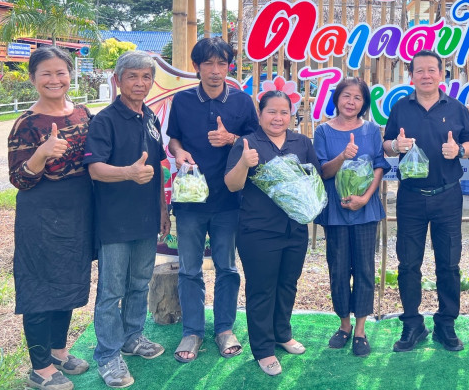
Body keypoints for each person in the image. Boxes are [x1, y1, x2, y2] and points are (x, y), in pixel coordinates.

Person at [166, 37, 258, 363]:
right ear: (197, 67)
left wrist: (231, 138)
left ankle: (224, 328)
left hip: (229, 200)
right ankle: (192, 331)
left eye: (222, 63)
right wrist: (179, 153)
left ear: (229, 66)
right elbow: (174, 139)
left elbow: (256, 141)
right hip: (190, 202)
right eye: (208, 63)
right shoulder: (183, 100)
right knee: (189, 270)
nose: (216, 70)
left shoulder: (242, 102)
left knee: (227, 268)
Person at [7, 47, 93, 390]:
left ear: (70, 75)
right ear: (33, 78)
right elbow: (19, 179)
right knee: (40, 287)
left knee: (68, 282)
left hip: (78, 212)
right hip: (41, 216)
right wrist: (41, 154)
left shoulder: (83, 113)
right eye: (46, 73)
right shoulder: (26, 124)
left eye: (61, 72)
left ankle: (58, 352)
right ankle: (39, 368)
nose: (54, 79)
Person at [84, 51, 170, 388]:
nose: (140, 83)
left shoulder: (150, 117)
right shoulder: (105, 120)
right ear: (118, 80)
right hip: (115, 220)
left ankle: (133, 337)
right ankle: (108, 355)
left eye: (146, 77)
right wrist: (127, 173)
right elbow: (95, 169)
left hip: (146, 218)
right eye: (132, 77)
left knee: (140, 283)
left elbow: (158, 168)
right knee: (111, 290)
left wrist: (163, 210)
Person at [383, 50, 469, 352]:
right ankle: (412, 324)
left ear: (441, 74)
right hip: (410, 197)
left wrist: (459, 150)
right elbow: (386, 144)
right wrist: (395, 145)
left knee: (449, 264)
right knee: (408, 263)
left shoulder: (457, 108)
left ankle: (446, 324)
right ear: (411, 75)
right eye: (419, 70)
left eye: (431, 70)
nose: (426, 75)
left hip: (447, 196)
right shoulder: (401, 107)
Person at [224, 90, 321, 377]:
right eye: (271, 112)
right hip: (258, 231)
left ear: (291, 115)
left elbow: (314, 179)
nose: (278, 118)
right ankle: (263, 349)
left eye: (283, 112)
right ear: (260, 114)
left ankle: (282, 333)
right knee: (261, 289)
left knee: (288, 284)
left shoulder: (301, 142)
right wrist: (244, 162)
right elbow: (232, 185)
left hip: (295, 229)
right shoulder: (247, 143)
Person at [314, 78, 390, 357]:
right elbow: (323, 171)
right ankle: (344, 325)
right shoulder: (323, 131)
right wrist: (343, 157)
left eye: (358, 98)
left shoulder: (371, 130)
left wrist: (366, 197)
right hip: (336, 211)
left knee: (364, 269)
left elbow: (379, 165)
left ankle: (360, 329)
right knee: (338, 268)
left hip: (365, 210)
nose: (351, 102)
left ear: (364, 103)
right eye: (346, 96)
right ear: (337, 98)